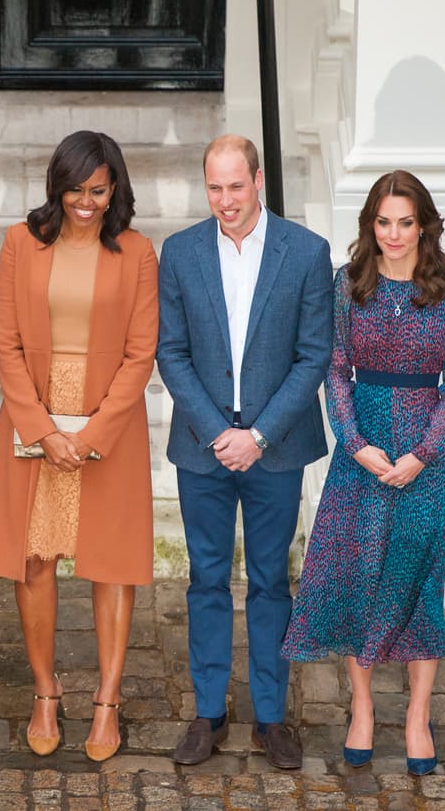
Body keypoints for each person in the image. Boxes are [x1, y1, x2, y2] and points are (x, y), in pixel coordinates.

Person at [280, 170, 445, 777]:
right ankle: (361, 708)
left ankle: (417, 715)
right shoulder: (348, 285)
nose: (394, 234)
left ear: (424, 226)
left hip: (424, 458)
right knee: (358, 578)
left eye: (405, 223)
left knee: (418, 582)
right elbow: (335, 369)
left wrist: (424, 452)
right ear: (370, 225)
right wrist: (355, 442)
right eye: (383, 222)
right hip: (361, 456)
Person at [0, 130, 158, 762]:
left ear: (115, 189)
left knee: (112, 563)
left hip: (110, 422)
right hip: (35, 416)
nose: (85, 202)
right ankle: (45, 692)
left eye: (97, 190)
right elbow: (6, 343)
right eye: (75, 189)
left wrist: (93, 432)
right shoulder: (20, 243)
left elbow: (141, 354)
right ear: (57, 186)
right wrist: (41, 429)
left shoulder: (137, 252)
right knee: (34, 558)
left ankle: (107, 700)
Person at [156, 135, 333, 768]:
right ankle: (208, 713)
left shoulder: (305, 252)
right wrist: (217, 432)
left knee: (270, 581)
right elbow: (171, 353)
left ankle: (270, 717)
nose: (226, 200)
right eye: (215, 187)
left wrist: (257, 436)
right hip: (203, 448)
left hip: (274, 449)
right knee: (205, 579)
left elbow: (313, 356)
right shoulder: (180, 252)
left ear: (258, 181)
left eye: (236, 186)